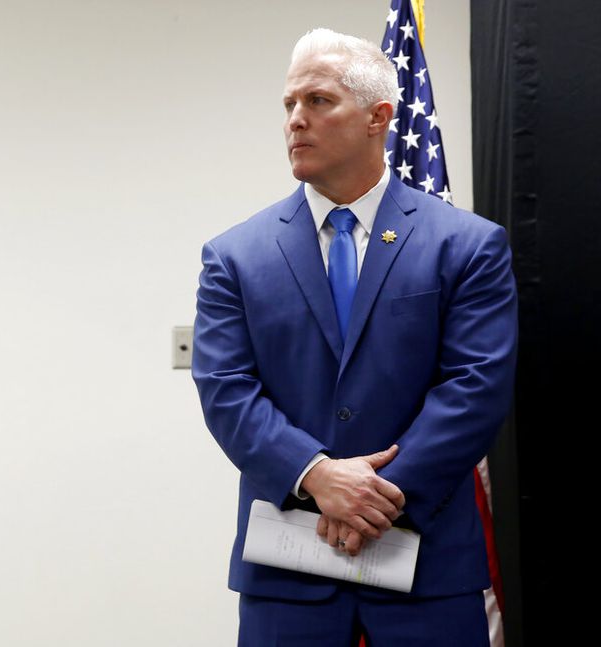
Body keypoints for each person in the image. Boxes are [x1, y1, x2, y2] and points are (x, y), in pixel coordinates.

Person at [192, 28, 517, 646]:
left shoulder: (467, 246)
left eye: (318, 101)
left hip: (427, 567)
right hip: (289, 574)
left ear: (379, 118)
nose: (296, 120)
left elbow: (476, 386)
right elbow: (226, 390)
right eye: (289, 105)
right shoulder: (234, 256)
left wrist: (376, 497)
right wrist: (316, 474)